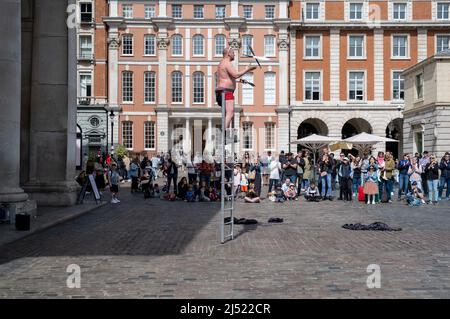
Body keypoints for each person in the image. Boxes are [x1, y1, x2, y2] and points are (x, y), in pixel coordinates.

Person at [216, 47, 257, 131]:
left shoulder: (222, 63)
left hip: (221, 91)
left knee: (227, 114)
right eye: (233, 52)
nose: (234, 54)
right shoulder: (227, 63)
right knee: (230, 113)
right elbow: (235, 75)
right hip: (226, 92)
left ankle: (224, 133)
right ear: (228, 53)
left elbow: (228, 78)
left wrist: (241, 81)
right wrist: (247, 69)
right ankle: (223, 132)